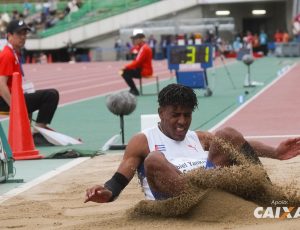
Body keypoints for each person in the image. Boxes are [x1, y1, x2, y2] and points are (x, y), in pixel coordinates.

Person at [85, 83, 300, 203]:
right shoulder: (143, 140)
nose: (182, 121)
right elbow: (120, 177)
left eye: (187, 115)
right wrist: (107, 192)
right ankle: (202, 201)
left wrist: (276, 152)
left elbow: (237, 143)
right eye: (176, 115)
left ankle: (271, 199)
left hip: (209, 187)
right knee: (154, 158)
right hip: (176, 197)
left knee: (227, 134)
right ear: (161, 113)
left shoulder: (198, 137)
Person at [0, 20, 59, 146]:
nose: (23, 37)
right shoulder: (7, 55)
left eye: (25, 34)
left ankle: (34, 133)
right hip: (5, 101)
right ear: (9, 36)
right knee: (51, 95)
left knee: (42, 94)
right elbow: (1, 85)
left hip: (15, 96)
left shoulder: (14, 53)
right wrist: (15, 107)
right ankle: (37, 134)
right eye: (19, 34)